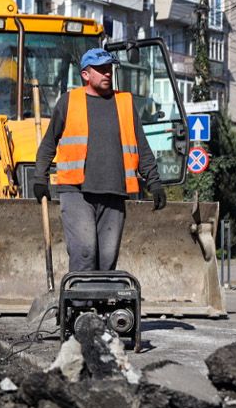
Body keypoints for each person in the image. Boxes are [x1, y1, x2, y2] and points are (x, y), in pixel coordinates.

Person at [32, 48, 167, 272]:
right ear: (86, 74)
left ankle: (101, 305)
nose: (107, 73)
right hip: (76, 191)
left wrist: (154, 182)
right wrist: (40, 178)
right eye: (101, 69)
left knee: (107, 260)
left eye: (109, 69)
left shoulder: (124, 103)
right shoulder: (69, 102)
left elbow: (141, 145)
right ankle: (80, 304)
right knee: (85, 251)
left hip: (114, 192)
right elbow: (48, 144)